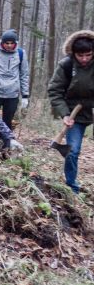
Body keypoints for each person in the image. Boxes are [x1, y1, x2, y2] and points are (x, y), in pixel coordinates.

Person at [48, 30, 94, 194]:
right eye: (80, 55)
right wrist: (65, 114)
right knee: (72, 150)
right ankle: (72, 187)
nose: (84, 59)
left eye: (88, 55)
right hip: (75, 112)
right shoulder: (66, 65)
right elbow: (54, 91)